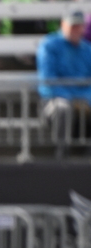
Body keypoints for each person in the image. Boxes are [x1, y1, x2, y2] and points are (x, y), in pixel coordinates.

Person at [36, 8, 91, 158]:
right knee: (63, 107)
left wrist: (85, 98)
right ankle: (62, 153)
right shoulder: (49, 45)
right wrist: (73, 98)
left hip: (83, 99)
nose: (75, 30)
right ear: (63, 25)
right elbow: (48, 82)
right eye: (72, 26)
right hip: (53, 99)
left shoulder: (87, 50)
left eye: (78, 26)